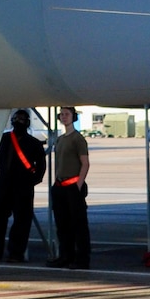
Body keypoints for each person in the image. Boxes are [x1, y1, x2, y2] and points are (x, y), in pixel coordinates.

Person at [0, 109, 47, 262]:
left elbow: (41, 167)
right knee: (0, 222)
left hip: (21, 188)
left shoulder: (33, 143)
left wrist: (32, 181)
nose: (19, 121)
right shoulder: (5, 139)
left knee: (20, 223)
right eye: (17, 119)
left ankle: (14, 253)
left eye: (21, 119)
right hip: (6, 186)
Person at [48, 106, 90, 269]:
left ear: (73, 117)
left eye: (67, 114)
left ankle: (82, 258)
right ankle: (66, 256)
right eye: (62, 115)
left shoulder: (77, 139)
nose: (64, 117)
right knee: (62, 225)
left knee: (78, 225)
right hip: (60, 186)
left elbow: (85, 164)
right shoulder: (60, 139)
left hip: (72, 187)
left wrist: (78, 185)